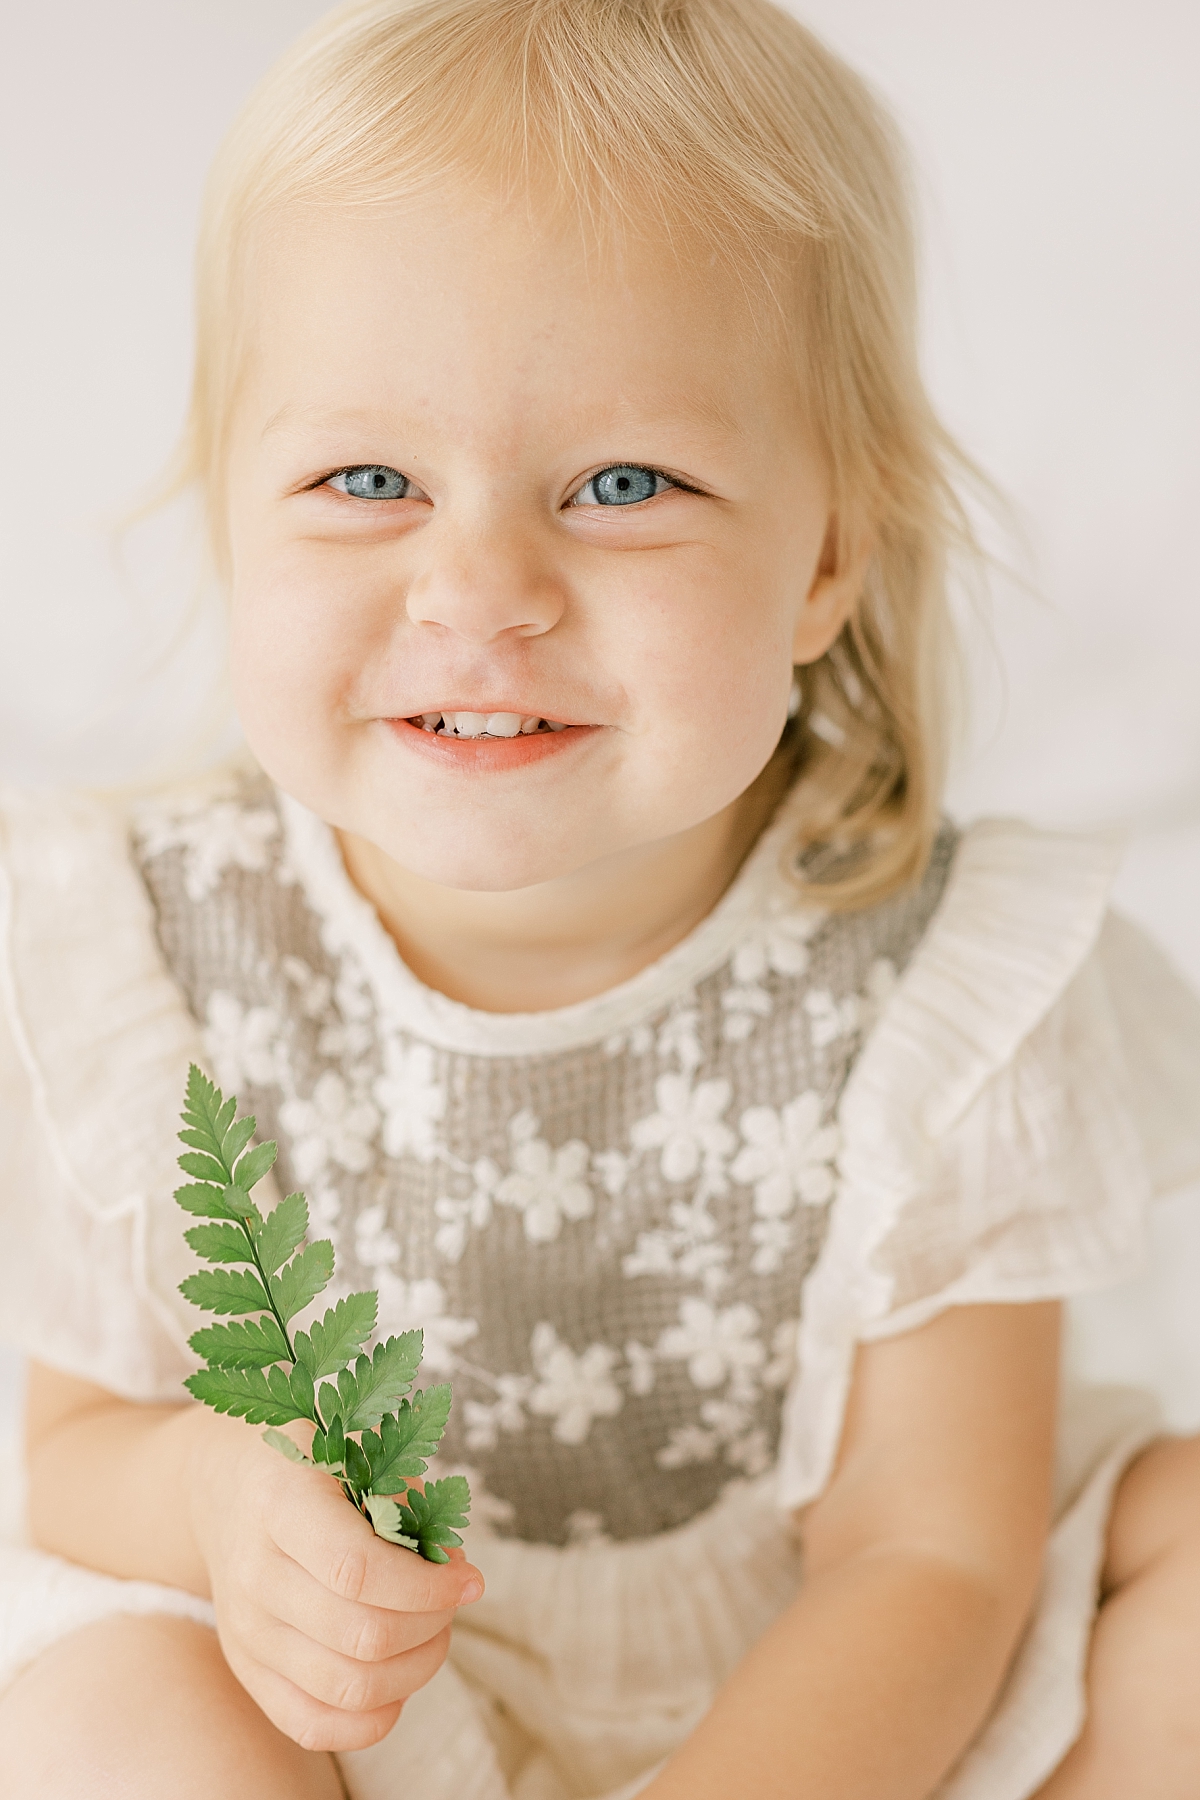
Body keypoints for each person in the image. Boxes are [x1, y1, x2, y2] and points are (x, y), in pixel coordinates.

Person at [1, 1, 1199, 1795]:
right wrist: (210, 1499)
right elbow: (70, 1443)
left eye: (623, 483)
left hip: (856, 1720)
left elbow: (928, 1559)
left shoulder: (947, 988)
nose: (477, 589)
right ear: (233, 517)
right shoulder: (133, 952)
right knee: (106, 1710)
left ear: (822, 558)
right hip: (361, 1722)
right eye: (367, 480)